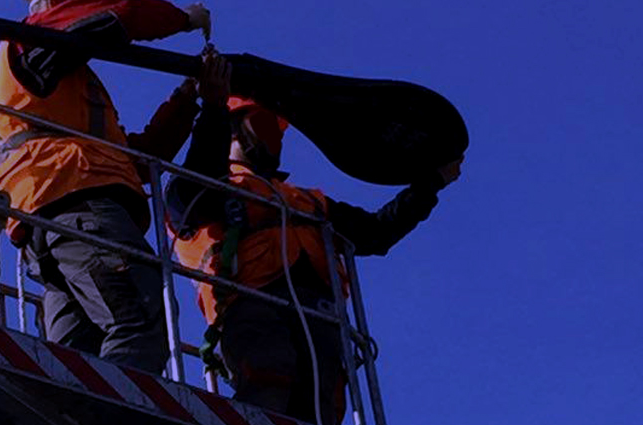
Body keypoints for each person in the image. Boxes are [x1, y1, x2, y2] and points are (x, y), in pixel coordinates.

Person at [166, 52, 462, 424]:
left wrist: (430, 185)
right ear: (235, 128)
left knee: (324, 405)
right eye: (264, 124)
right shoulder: (196, 189)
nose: (274, 139)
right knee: (268, 380)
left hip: (318, 313)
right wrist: (211, 107)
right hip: (249, 303)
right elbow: (198, 187)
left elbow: (374, 233)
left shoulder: (307, 201)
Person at [0, 0, 211, 374]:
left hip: (55, 222)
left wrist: (188, 99)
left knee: (76, 364)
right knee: (138, 321)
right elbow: (117, 16)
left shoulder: (62, 94)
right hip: (76, 204)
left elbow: (139, 158)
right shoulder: (31, 39)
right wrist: (185, 19)